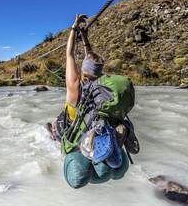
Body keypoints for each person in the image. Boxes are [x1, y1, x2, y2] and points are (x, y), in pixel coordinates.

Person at [47, 14, 137, 189]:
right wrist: (86, 38)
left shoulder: (75, 87)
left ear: (83, 71)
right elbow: (92, 61)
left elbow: (69, 55)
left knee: (55, 124)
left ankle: (53, 134)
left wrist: (74, 28)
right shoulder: (101, 89)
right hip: (97, 128)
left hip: (77, 135)